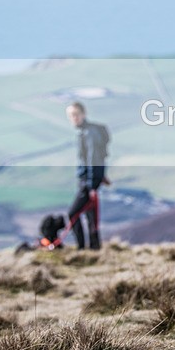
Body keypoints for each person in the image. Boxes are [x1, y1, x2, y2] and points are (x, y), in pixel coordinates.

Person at [65, 101, 109, 250]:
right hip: (89, 180)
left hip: (87, 182)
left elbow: (93, 159)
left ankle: (81, 248)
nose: (74, 118)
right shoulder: (85, 132)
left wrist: (92, 184)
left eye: (76, 114)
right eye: (71, 115)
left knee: (73, 214)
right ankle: (94, 248)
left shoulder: (89, 133)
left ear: (83, 114)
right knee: (90, 215)